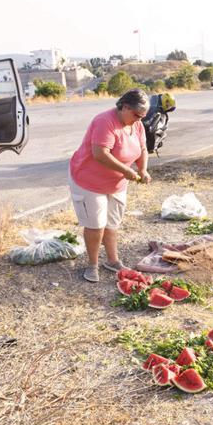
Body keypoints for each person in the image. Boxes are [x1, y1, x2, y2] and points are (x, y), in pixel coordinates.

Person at [68, 88, 151, 282]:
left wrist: (143, 170)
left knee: (112, 223)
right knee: (96, 225)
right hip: (89, 180)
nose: (139, 120)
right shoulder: (104, 121)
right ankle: (92, 265)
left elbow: (143, 149)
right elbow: (100, 154)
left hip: (117, 183)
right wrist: (126, 171)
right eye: (136, 115)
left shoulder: (136, 125)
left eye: (143, 117)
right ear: (124, 107)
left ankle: (112, 261)